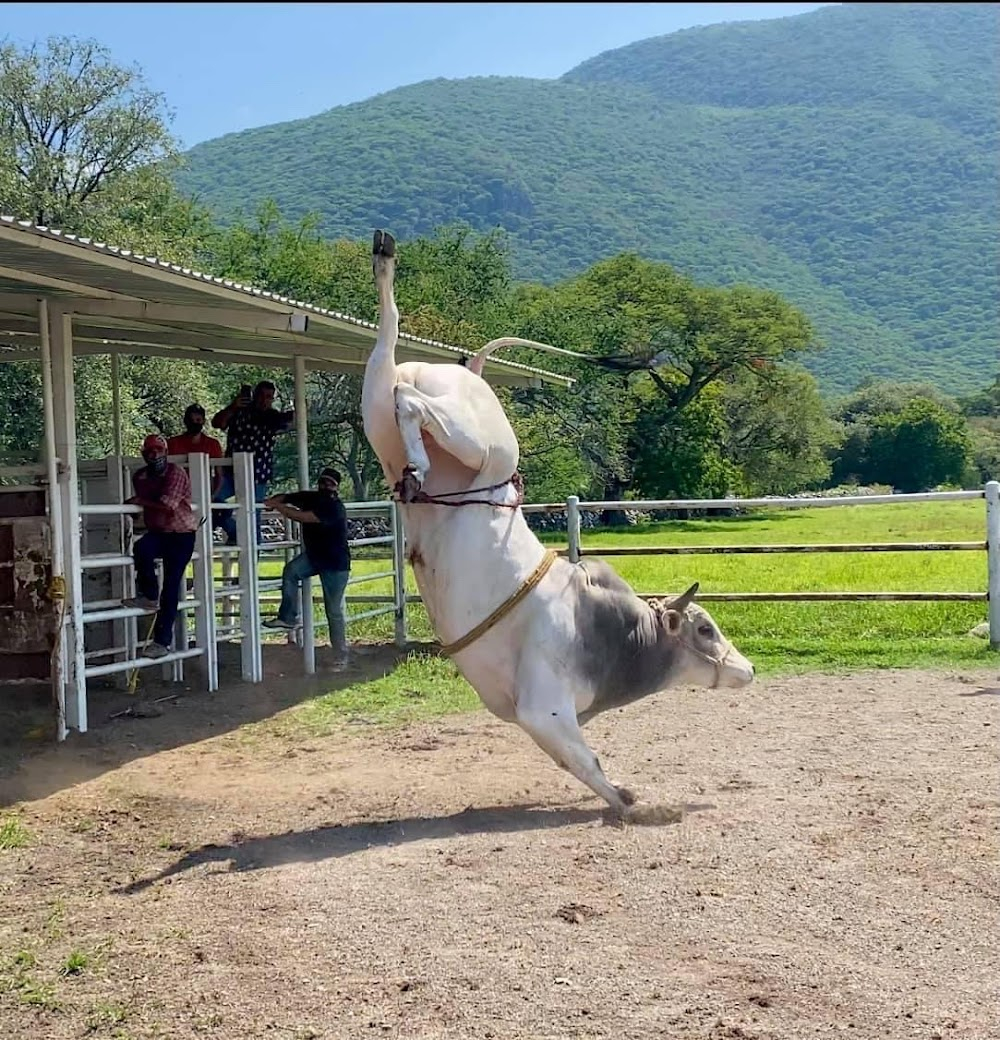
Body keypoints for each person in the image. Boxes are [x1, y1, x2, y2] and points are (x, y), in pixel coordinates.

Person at [262, 467, 352, 665]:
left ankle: (340, 655)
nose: (325, 485)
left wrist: (278, 507)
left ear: (336, 487)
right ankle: (288, 616)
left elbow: (304, 517)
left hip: (335, 563)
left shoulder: (334, 507)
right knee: (291, 571)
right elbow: (288, 496)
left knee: (333, 610)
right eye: (323, 481)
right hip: (316, 557)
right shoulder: (310, 497)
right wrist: (276, 500)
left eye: (330, 483)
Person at [122, 434, 198, 660]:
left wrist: (139, 503)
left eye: (157, 451)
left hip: (180, 533)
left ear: (165, 452)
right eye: (149, 451)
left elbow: (169, 506)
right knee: (141, 550)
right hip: (160, 531)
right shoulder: (142, 476)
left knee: (171, 586)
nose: (153, 455)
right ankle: (149, 594)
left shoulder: (175, 473)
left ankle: (162, 641)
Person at [211, 380, 294, 546]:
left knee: (252, 519)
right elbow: (217, 423)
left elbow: (292, 422)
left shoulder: (272, 416)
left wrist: (299, 408)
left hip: (258, 475)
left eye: (269, 397)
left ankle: (253, 563)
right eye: (261, 395)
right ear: (254, 395)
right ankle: (234, 531)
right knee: (211, 499)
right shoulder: (239, 411)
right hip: (231, 471)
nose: (264, 400)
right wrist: (233, 406)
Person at [166, 404, 224, 496]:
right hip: (177, 493)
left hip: (204, 492)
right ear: (185, 421)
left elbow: (219, 475)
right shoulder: (172, 443)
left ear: (203, 421)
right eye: (191, 420)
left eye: (198, 420)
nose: (194, 423)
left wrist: (212, 497)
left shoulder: (213, 444)